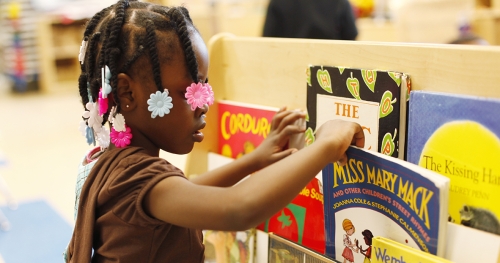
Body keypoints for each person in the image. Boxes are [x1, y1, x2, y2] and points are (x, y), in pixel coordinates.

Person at [66, 0, 365, 262]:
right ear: (127, 93)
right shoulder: (136, 177)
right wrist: (325, 145)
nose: (204, 103)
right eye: (189, 91)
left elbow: (189, 189)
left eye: (205, 86)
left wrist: (255, 160)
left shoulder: (114, 161)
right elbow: (239, 209)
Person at [262, 0, 358, 40]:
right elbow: (351, 35)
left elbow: (267, 38)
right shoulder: (339, 2)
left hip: (286, 70)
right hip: (329, 74)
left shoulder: (277, 2)